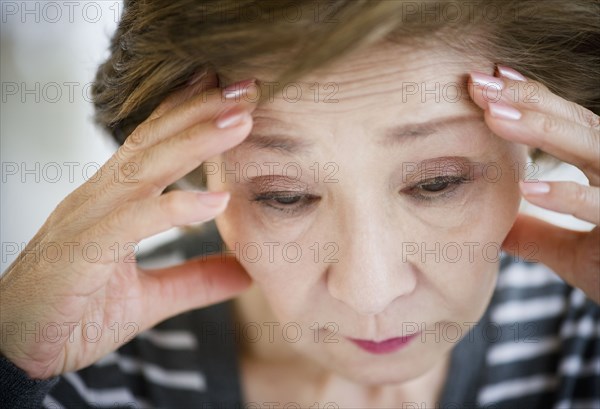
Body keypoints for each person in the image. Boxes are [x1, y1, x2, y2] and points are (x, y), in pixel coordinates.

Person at [1, 1, 599, 408]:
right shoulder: (71, 366)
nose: (371, 291)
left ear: (536, 141)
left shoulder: (586, 332)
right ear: (188, 165)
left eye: (438, 183)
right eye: (284, 195)